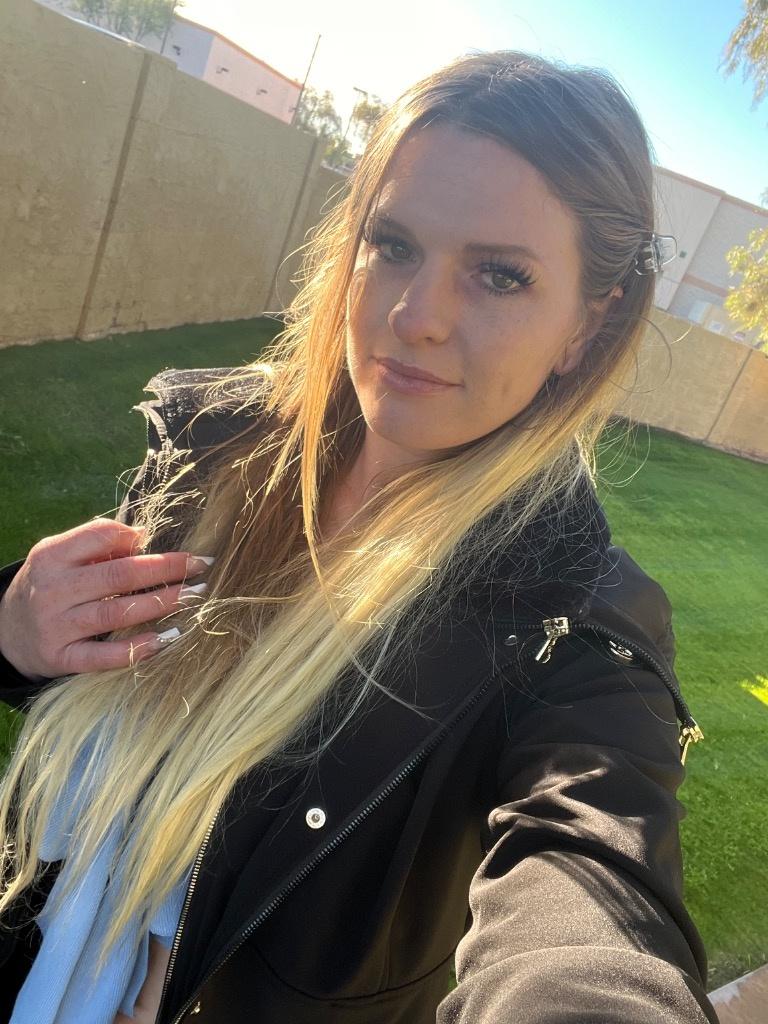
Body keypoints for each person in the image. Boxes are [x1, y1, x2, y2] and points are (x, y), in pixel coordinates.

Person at [0, 48, 716, 1024]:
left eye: (500, 276)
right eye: (394, 243)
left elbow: (591, 891)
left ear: (589, 325)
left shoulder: (571, 633)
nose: (416, 317)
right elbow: (87, 677)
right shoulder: (217, 450)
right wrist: (13, 626)